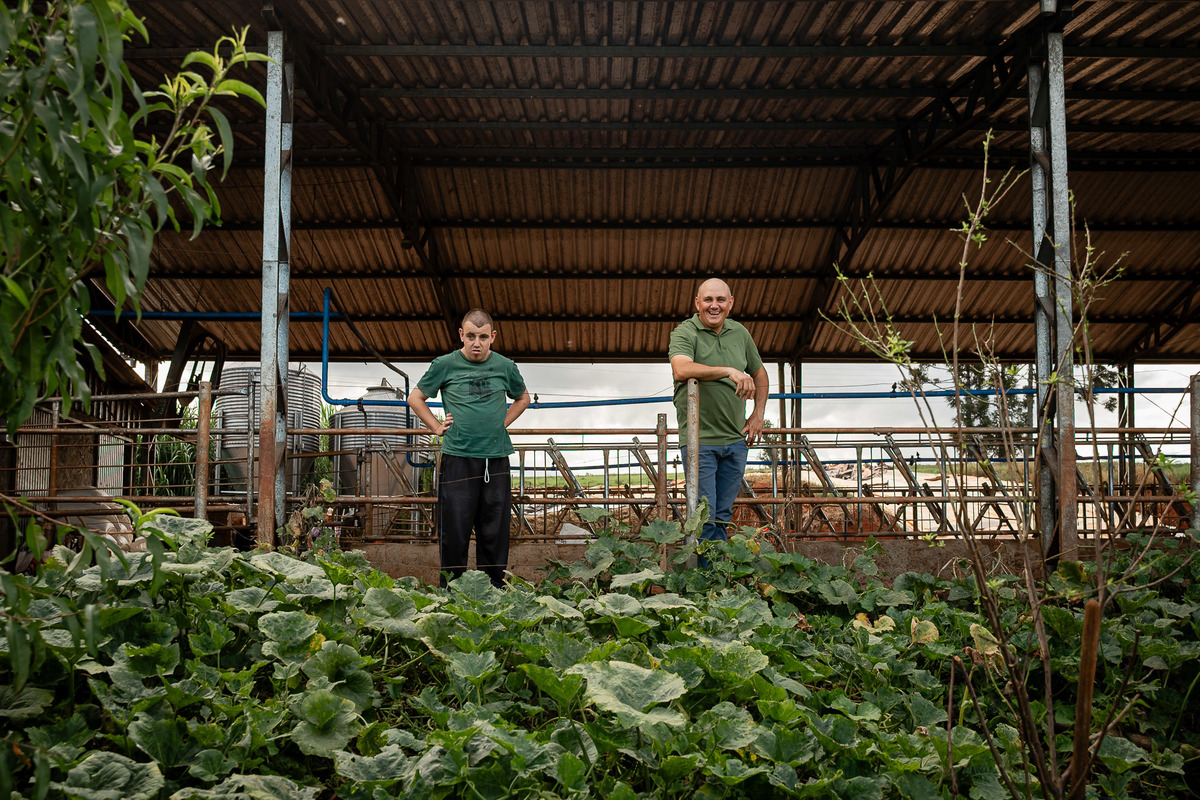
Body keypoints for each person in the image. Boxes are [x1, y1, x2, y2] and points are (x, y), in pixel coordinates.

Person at [408, 309, 531, 588]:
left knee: (494, 530)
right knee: (455, 529)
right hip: (458, 458)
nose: (477, 343)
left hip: (495, 458)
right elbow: (415, 398)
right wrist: (436, 427)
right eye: (471, 336)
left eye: (483, 337)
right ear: (461, 335)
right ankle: (452, 593)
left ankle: (493, 591)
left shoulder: (505, 366)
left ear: (493, 337)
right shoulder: (444, 364)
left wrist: (501, 423)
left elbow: (522, 398)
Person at [668, 278, 769, 550]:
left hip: (735, 439)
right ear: (697, 303)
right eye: (708, 300)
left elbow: (760, 373)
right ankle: (702, 571)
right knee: (704, 515)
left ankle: (716, 571)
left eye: (721, 300)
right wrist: (728, 370)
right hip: (700, 440)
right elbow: (681, 369)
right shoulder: (685, 332)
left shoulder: (740, 333)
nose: (715, 306)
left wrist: (758, 414)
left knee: (722, 515)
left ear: (730, 303)